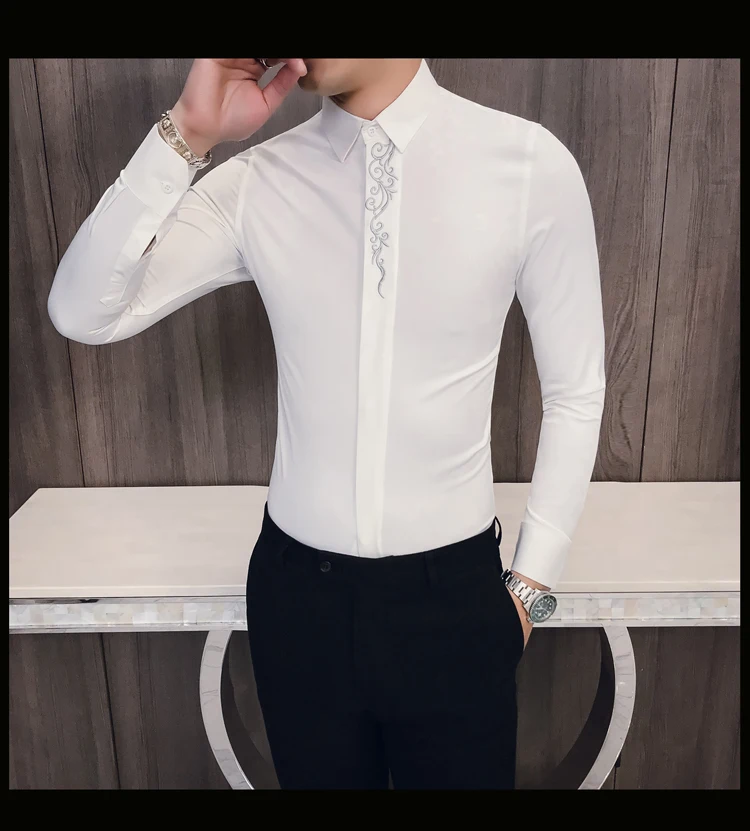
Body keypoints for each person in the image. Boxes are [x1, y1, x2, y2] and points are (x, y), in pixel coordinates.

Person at [47, 58, 606, 790]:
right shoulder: (259, 181)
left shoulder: (528, 166)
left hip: (456, 604)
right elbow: (83, 312)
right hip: (297, 605)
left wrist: (531, 589)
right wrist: (186, 133)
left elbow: (576, 390)